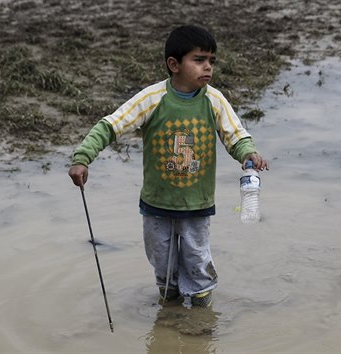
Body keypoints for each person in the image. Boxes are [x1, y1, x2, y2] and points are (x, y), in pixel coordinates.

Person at [68, 25, 269, 307]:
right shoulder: (152, 98)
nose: (208, 67)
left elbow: (235, 135)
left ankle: (199, 317)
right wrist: (82, 158)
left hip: (196, 203)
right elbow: (112, 125)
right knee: (161, 260)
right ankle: (170, 306)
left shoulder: (214, 100)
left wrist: (248, 153)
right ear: (173, 64)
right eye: (199, 60)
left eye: (211, 61)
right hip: (157, 203)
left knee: (198, 259)